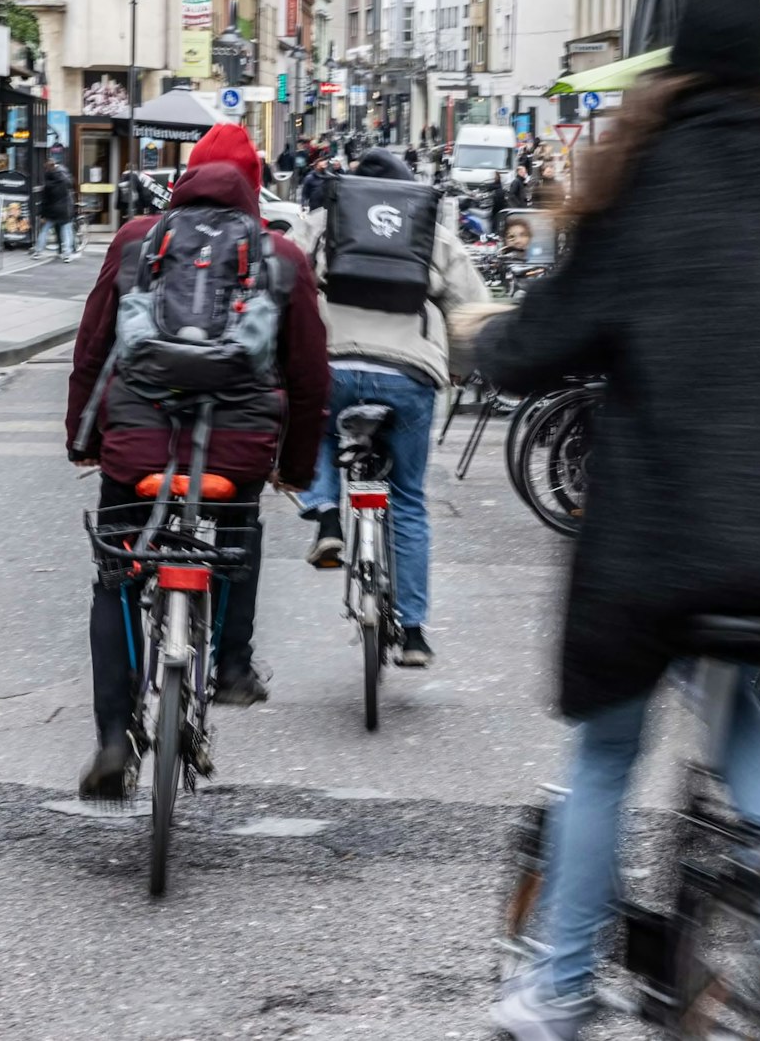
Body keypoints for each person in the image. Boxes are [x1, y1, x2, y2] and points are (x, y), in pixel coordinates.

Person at [476, 0, 760, 1038]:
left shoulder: (641, 180)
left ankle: (556, 994)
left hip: (655, 549)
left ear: (676, 72)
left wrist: (488, 348)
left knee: (606, 756)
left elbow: (543, 341)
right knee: (745, 728)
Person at [65, 123, 330, 800]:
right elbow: (307, 376)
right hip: (236, 451)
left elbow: (94, 346)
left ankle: (111, 736)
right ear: (253, 185)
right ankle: (234, 665)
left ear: (182, 180)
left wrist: (84, 438)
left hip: (136, 442)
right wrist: (295, 466)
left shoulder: (135, 241)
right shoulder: (280, 255)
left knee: (117, 574)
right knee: (236, 536)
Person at [286, 148, 485, 668]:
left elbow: (284, 280)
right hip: (409, 374)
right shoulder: (430, 231)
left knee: (316, 432)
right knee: (408, 499)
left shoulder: (324, 221)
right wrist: (460, 367)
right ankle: (414, 631)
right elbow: (469, 307)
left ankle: (328, 517)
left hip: (333, 366)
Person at [35, 154, 78, 262]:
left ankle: (38, 252)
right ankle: (67, 254)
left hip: (52, 211)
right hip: (64, 210)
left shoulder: (47, 184)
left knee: (44, 231)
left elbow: (44, 200)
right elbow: (70, 185)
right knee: (66, 231)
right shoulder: (64, 180)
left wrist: (42, 214)